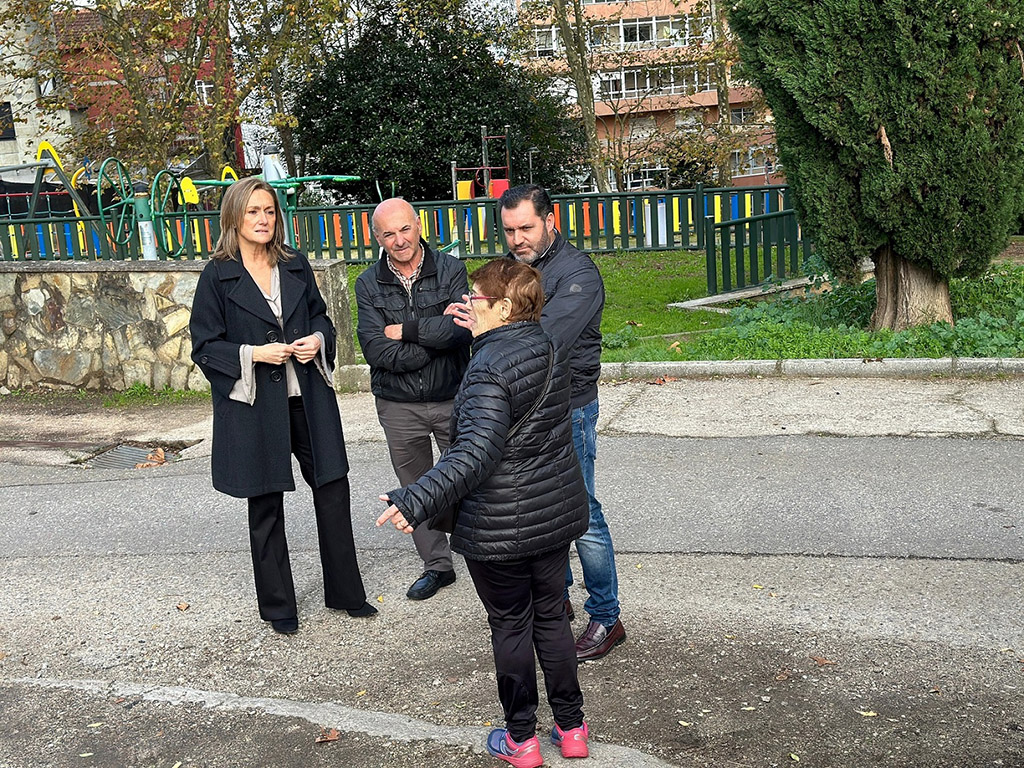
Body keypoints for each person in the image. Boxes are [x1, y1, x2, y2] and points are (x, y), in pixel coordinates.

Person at [377, 259, 591, 768]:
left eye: (477, 297)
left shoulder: (489, 367)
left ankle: (522, 740)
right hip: (552, 511)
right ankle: (573, 728)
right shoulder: (546, 344)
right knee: (552, 621)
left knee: (511, 625)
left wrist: (416, 499)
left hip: (501, 524)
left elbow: (474, 452)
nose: (468, 303)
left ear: (504, 306)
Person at [190, 176, 375, 635]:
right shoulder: (217, 274)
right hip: (255, 407)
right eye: (253, 211)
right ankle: (279, 608)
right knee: (265, 505)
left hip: (307, 398)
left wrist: (317, 339)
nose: (263, 220)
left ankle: (347, 593)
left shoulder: (294, 264)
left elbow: (321, 319)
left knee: (333, 490)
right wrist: (252, 355)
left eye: (269, 211)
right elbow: (205, 345)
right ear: (234, 217)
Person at [498, 184, 625, 662]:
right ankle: (558, 600)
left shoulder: (577, 275)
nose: (517, 238)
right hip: (527, 407)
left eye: (526, 227)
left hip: (569, 407)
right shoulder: (514, 267)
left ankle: (607, 617)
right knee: (545, 512)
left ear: (550, 220)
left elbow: (541, 341)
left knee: (582, 514)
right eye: (509, 230)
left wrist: (493, 330)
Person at [356, 198, 471, 601]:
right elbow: (374, 349)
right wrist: (428, 345)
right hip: (397, 404)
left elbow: (459, 329)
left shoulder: (451, 269)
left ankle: (483, 554)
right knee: (415, 485)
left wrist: (402, 330)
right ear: (377, 237)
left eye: (405, 229)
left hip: (452, 395)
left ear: (419, 226)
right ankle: (437, 566)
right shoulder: (368, 283)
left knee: (469, 477)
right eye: (389, 233)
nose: (399, 240)